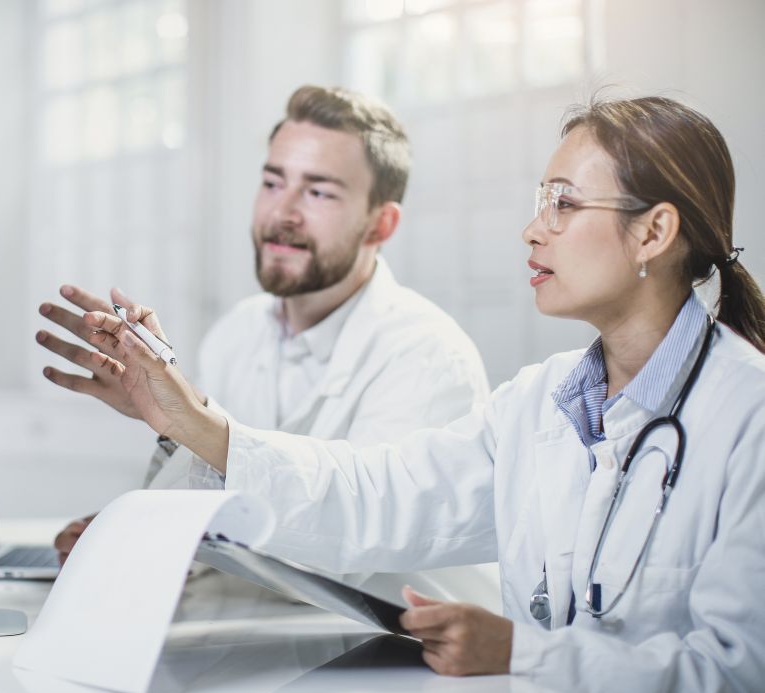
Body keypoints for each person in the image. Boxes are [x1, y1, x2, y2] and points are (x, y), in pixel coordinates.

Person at [77, 94, 765, 693]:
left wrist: (525, 654)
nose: (532, 230)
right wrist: (193, 424)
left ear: (652, 231)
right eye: (538, 202)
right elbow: (378, 493)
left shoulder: (747, 416)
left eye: (563, 202)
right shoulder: (538, 403)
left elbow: (740, 677)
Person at [36, 85, 492, 602]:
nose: (284, 213)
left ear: (380, 224)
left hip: (405, 664)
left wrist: (192, 420)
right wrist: (141, 537)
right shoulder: (237, 333)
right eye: (273, 182)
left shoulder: (429, 357)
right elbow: (226, 521)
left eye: (319, 192)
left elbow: (346, 548)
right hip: (280, 642)